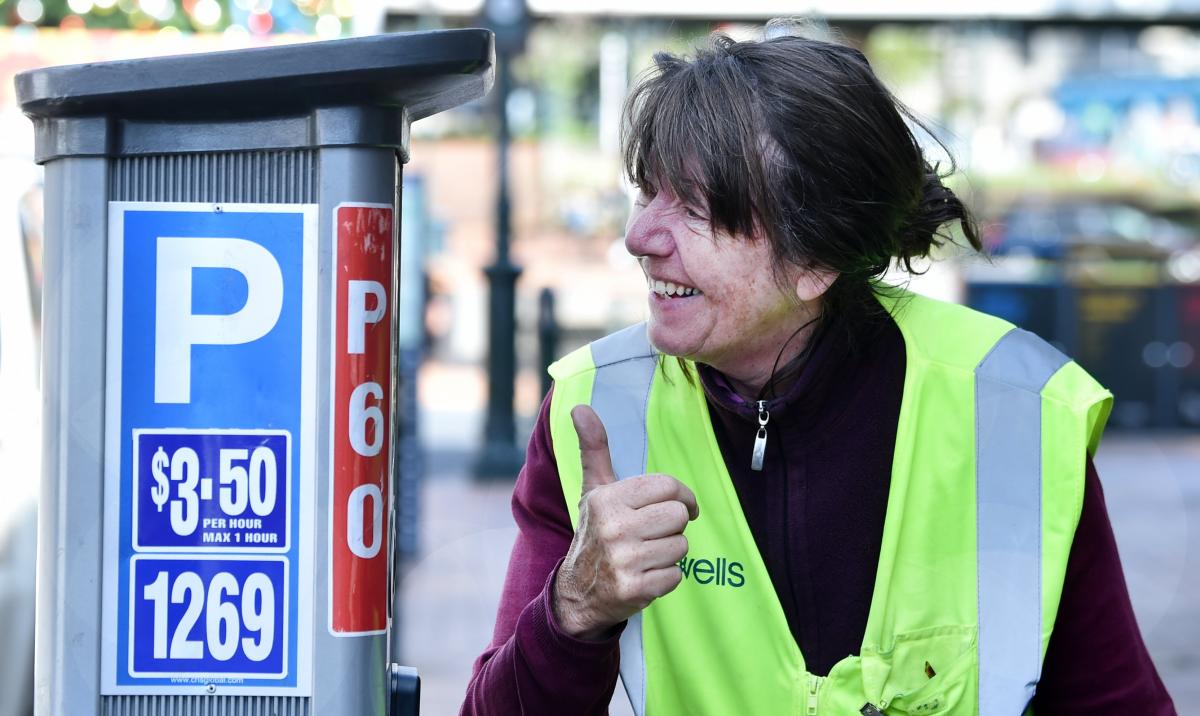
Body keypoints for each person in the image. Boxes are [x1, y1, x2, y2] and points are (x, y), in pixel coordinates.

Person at [463, 26, 1176, 716]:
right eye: (647, 191)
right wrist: (574, 611)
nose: (639, 236)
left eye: (695, 207)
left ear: (817, 259)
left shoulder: (1016, 409)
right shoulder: (595, 407)